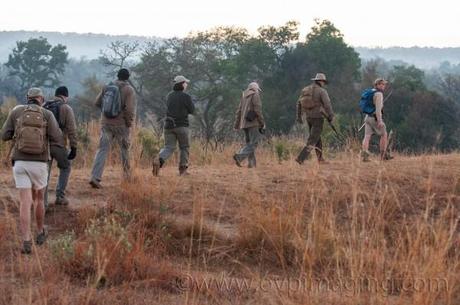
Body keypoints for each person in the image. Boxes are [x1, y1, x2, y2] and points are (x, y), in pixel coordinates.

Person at [1, 87, 64, 254]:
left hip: (20, 163)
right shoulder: (47, 114)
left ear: (27, 98)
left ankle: (26, 240)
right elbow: (57, 137)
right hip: (40, 163)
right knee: (38, 199)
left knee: (24, 201)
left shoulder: (16, 111)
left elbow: (4, 135)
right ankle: (40, 231)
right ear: (41, 99)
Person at [89, 68, 136, 188]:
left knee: (102, 149)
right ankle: (127, 176)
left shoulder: (107, 86)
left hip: (106, 124)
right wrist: (128, 123)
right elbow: (129, 109)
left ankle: (95, 177)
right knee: (124, 149)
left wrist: (106, 114)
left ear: (117, 76)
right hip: (121, 125)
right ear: (127, 77)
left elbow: (97, 102)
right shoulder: (129, 89)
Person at [153, 75, 195, 176]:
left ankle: (159, 159)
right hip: (182, 126)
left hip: (168, 125)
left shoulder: (169, 95)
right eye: (185, 83)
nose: (186, 85)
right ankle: (182, 170)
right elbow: (192, 110)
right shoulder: (186, 96)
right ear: (182, 84)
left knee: (169, 147)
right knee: (184, 147)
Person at [44, 86, 77, 206]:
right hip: (59, 145)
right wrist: (74, 147)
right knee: (66, 166)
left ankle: (43, 203)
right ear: (65, 96)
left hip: (44, 145)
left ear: (56, 94)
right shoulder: (66, 108)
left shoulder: (44, 106)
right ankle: (60, 196)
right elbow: (72, 130)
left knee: (44, 173)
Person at [295, 73, 334, 165]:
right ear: (320, 81)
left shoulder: (305, 89)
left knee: (317, 138)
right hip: (318, 118)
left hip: (308, 117)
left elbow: (299, 103)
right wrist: (330, 116)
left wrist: (299, 117)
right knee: (313, 139)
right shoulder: (322, 91)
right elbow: (327, 105)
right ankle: (301, 158)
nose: (324, 83)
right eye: (323, 82)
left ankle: (320, 159)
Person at [233, 82, 265, 168]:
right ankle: (239, 156)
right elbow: (258, 110)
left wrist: (236, 125)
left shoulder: (244, 96)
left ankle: (252, 164)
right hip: (253, 123)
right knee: (253, 144)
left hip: (244, 124)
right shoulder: (255, 95)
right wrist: (262, 123)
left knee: (249, 144)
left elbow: (238, 111)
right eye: (258, 90)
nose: (258, 91)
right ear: (255, 88)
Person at [361, 78, 391, 161]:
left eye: (384, 84)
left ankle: (365, 156)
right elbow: (378, 109)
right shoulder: (379, 94)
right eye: (381, 84)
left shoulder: (370, 92)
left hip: (367, 117)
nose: (383, 86)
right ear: (377, 85)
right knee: (384, 134)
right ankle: (383, 155)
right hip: (375, 118)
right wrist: (380, 120)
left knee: (367, 136)